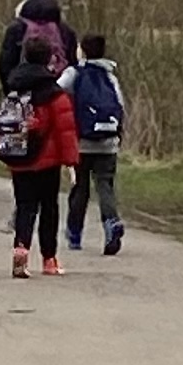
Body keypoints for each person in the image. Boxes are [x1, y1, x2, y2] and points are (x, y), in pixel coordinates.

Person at [0, 38, 77, 278]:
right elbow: (65, 130)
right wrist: (71, 161)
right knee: (49, 209)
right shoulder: (54, 93)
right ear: (49, 58)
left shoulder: (14, 87)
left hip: (19, 156)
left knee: (24, 206)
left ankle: (21, 249)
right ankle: (49, 259)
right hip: (47, 161)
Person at [65, 27, 128, 257]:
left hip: (81, 141)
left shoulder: (74, 73)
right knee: (105, 185)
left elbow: (55, 91)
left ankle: (74, 233)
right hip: (108, 141)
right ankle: (111, 222)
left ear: (82, 50)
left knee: (79, 187)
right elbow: (120, 106)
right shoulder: (110, 76)